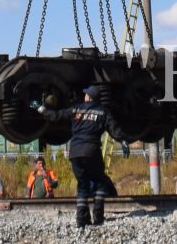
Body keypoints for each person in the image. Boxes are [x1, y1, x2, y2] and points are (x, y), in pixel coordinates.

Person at [41, 86, 119, 228]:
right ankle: (98, 217)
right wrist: (124, 141)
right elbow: (114, 129)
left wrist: (42, 110)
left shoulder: (76, 109)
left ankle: (81, 219)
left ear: (89, 97)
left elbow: (56, 116)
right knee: (100, 182)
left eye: (86, 95)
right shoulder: (103, 111)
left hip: (75, 152)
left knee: (83, 185)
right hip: (91, 151)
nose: (84, 96)